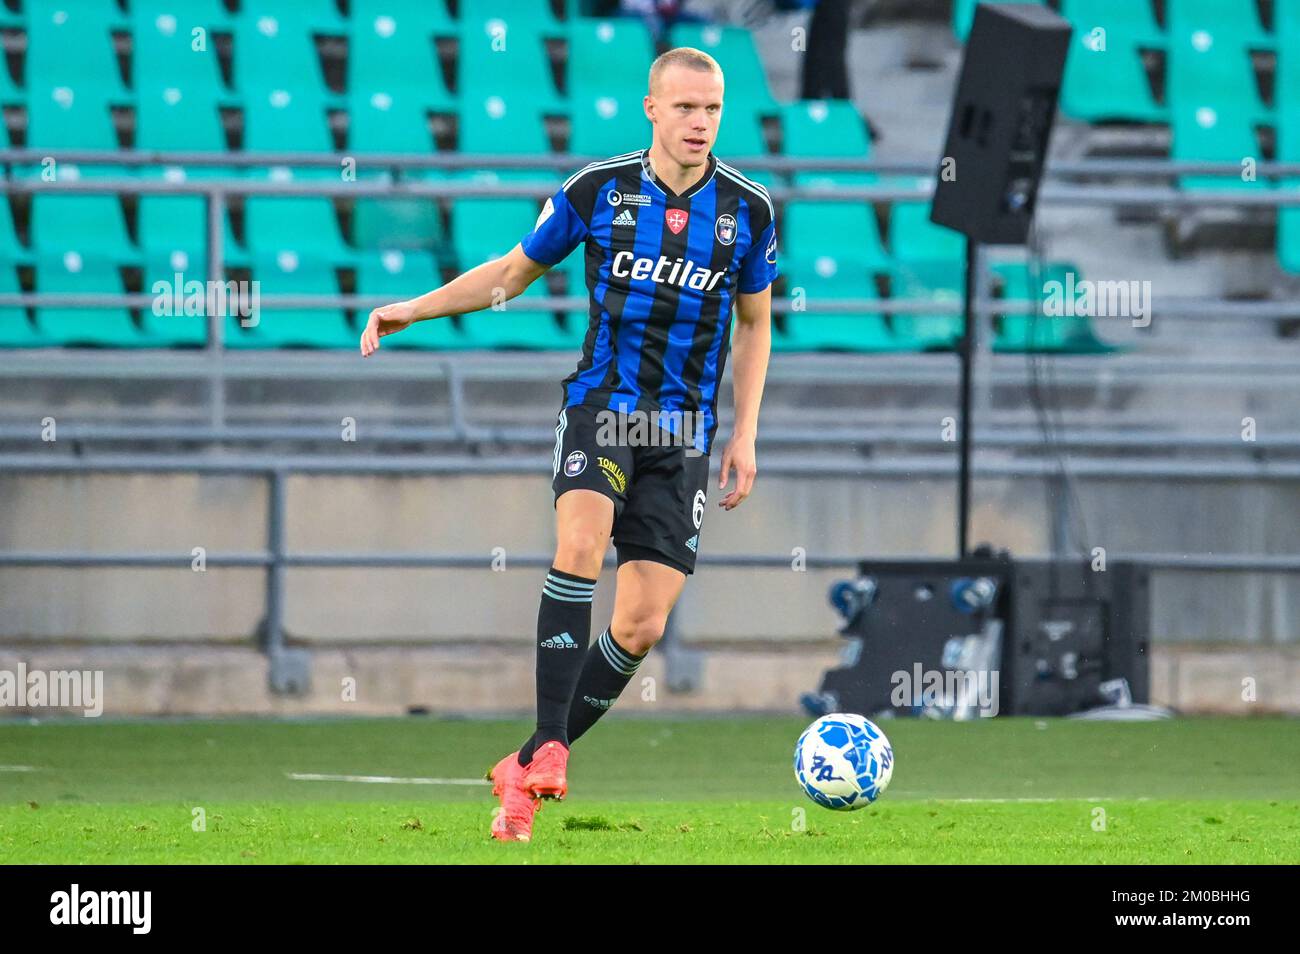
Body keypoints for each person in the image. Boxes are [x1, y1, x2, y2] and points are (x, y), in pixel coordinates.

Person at [359, 47, 778, 843]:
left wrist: (746, 433)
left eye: (713, 109)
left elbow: (756, 326)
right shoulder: (599, 189)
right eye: (685, 107)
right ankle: (551, 745)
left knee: (644, 623)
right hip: (604, 411)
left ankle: (523, 765)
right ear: (651, 109)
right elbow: (510, 276)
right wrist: (410, 310)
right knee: (580, 543)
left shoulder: (749, 209)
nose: (700, 122)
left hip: (684, 431)